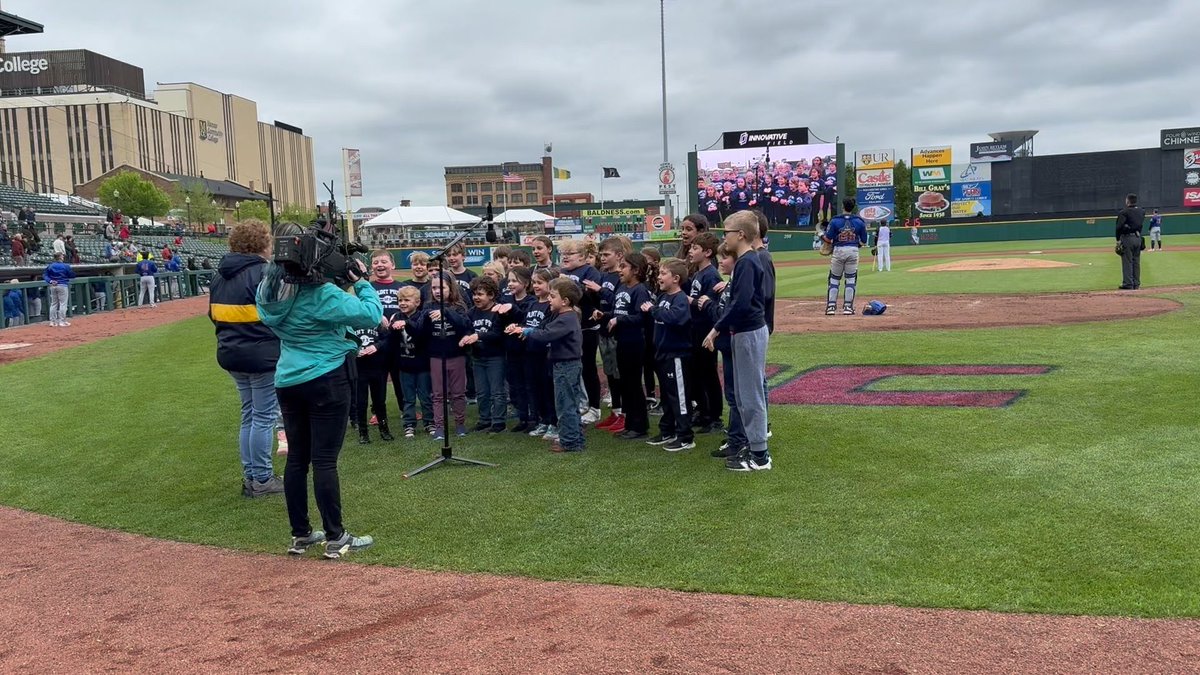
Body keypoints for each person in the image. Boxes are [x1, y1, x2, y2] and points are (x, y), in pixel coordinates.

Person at [256, 223, 382, 559]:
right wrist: (362, 282)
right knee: (324, 460)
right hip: (326, 377)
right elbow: (371, 315)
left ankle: (300, 534)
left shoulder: (267, 291)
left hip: (288, 379)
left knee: (298, 459)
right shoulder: (322, 295)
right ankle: (336, 536)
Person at [209, 221, 283, 498]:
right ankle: (262, 478)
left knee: (250, 415)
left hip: (231, 352)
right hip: (262, 354)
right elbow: (278, 314)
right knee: (263, 417)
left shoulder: (219, 275)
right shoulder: (264, 273)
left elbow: (213, 315)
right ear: (262, 243)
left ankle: (252, 475)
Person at [704, 211, 771, 472]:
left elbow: (741, 304)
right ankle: (752, 447)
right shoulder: (746, 261)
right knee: (743, 395)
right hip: (743, 332)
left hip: (749, 332)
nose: (724, 237)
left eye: (727, 232)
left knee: (751, 395)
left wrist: (715, 329)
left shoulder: (748, 262)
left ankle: (760, 456)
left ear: (741, 234)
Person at [511, 277, 585, 453]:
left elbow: (546, 334)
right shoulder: (564, 316)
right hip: (566, 365)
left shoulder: (565, 318)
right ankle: (574, 438)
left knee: (565, 405)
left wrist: (526, 331)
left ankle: (570, 441)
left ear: (565, 301)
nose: (549, 300)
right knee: (570, 404)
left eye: (553, 296)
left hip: (566, 366)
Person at [412, 271, 471, 439]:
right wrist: (425, 318)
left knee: (458, 393)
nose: (437, 291)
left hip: (456, 355)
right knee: (438, 394)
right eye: (434, 288)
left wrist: (447, 313)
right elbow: (420, 332)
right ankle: (439, 426)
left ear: (450, 288)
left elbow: (464, 326)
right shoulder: (428, 307)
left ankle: (460, 424)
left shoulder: (458, 307)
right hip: (436, 356)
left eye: (442, 288)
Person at [644, 258, 695, 452]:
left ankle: (685, 436)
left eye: (663, 273)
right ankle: (667, 430)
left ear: (675, 278)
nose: (659, 277)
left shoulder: (680, 298)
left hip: (677, 355)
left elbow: (675, 318)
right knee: (666, 395)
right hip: (663, 353)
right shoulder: (663, 297)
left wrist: (653, 310)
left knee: (679, 396)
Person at [606, 252, 651, 440]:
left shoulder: (640, 290)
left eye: (623, 266)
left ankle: (639, 426)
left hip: (634, 343)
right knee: (625, 384)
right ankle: (630, 424)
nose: (619, 270)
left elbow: (641, 318)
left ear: (636, 270)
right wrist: (605, 316)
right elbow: (617, 311)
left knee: (633, 384)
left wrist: (619, 320)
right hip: (622, 341)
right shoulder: (622, 287)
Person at [686, 232, 724, 434]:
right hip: (695, 329)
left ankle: (714, 417)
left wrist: (689, 300)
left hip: (705, 331)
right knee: (697, 373)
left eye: (695, 248)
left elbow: (709, 305)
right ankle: (703, 411)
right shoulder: (698, 273)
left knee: (708, 373)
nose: (690, 251)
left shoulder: (711, 274)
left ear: (707, 252)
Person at [464, 276, 507, 432]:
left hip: (495, 357)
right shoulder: (471, 312)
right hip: (478, 357)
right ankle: (484, 419)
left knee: (497, 391)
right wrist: (466, 337)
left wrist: (478, 336)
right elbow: (467, 330)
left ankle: (498, 421)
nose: (476, 297)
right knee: (481, 391)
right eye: (474, 294)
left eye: (480, 294)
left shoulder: (497, 311)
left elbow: (498, 334)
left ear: (491, 295)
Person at [390, 286, 434, 437]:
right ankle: (409, 424)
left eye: (407, 300)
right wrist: (392, 328)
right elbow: (391, 339)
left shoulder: (423, 316)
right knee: (408, 398)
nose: (402, 303)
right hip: (405, 365)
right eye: (400, 300)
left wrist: (407, 324)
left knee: (425, 397)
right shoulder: (396, 316)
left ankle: (429, 422)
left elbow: (422, 335)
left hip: (422, 366)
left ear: (417, 302)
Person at [496, 266, 535, 433]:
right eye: (509, 280)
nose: (510, 284)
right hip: (511, 348)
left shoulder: (531, 301)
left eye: (514, 281)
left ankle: (534, 418)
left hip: (527, 349)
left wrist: (512, 309)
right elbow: (499, 323)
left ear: (525, 283)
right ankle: (522, 417)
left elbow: (526, 319)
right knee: (516, 384)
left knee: (529, 384)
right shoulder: (505, 299)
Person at [823, 198, 868, 315]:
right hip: (853, 250)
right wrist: (856, 245)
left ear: (843, 206)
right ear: (853, 207)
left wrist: (821, 235)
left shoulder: (835, 220)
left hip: (838, 250)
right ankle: (848, 307)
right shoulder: (859, 221)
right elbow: (864, 241)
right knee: (851, 279)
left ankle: (831, 307)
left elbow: (828, 238)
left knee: (834, 279)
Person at [1116, 193, 1145, 290]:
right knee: (1136, 261)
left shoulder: (1124, 212)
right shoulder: (1142, 211)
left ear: (1127, 201)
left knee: (1127, 261)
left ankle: (1128, 283)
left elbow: (1119, 227)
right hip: (1138, 237)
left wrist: (1118, 240)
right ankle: (1136, 283)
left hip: (1127, 238)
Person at [43, 253, 75, 327]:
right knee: (63, 304)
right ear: (60, 257)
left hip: (53, 285)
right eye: (62, 256)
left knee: (54, 304)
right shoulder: (65, 266)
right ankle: (62, 321)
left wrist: (50, 281)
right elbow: (72, 275)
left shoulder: (50, 266)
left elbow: (45, 275)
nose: (63, 257)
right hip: (63, 285)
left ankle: (52, 322)